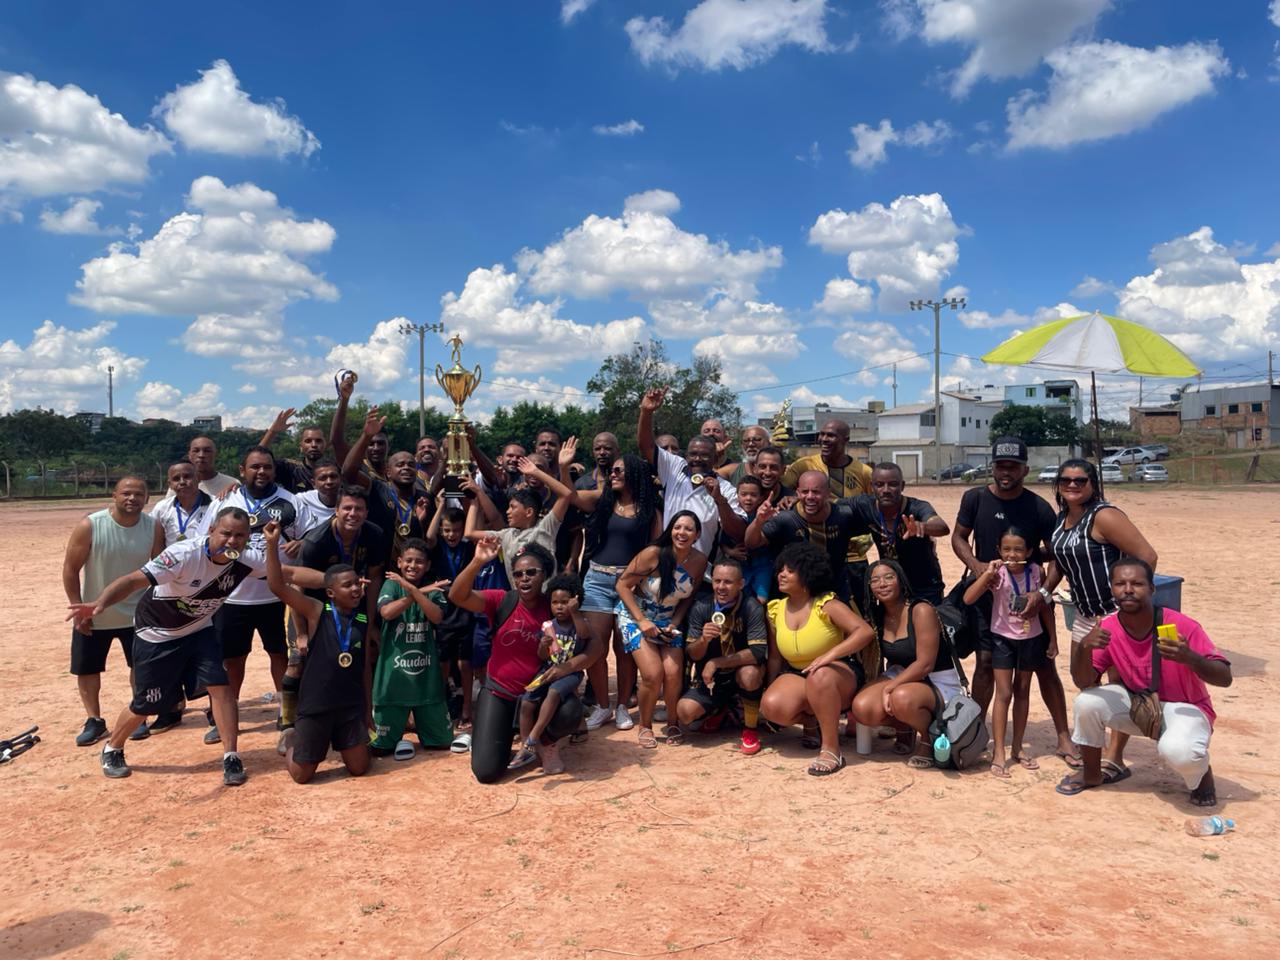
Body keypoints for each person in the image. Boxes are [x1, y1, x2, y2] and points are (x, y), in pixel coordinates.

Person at [67, 507, 287, 785]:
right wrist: (101, 602)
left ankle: (231, 756)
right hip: (157, 634)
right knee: (147, 704)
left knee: (221, 688)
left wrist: (329, 580)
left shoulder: (245, 559)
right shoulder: (183, 554)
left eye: (240, 536)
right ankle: (112, 748)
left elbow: (289, 573)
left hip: (199, 630)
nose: (232, 541)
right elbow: (133, 580)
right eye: (226, 533)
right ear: (211, 531)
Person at [1059, 557, 1231, 806]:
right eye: (1120, 584)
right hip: (1141, 705)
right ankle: (1092, 773)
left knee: (1178, 752)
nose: (1128, 590)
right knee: (1086, 702)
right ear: (1112, 589)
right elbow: (1084, 682)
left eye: (1137, 584)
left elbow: (1225, 678)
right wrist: (1084, 647)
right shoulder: (1108, 627)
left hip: (1186, 708)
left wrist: (1190, 657)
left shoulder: (1180, 625)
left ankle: (1202, 775)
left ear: (1152, 589)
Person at [951, 436, 1079, 767]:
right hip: (989, 596)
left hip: (1031, 599)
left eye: (1012, 466)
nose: (1005, 472)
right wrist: (977, 567)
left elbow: (1058, 555)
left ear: (1025, 469)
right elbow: (959, 537)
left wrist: (1043, 593)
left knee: (1045, 667)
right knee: (985, 664)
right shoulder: (975, 498)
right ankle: (977, 732)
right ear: (992, 467)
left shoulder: (1039, 508)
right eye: (1000, 465)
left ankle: (1063, 737)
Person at [1044, 458, 1158, 778]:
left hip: (1113, 612)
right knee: (1084, 680)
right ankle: (1095, 745)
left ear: (1092, 484)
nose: (1072, 485)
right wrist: (1042, 592)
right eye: (1066, 480)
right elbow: (1060, 560)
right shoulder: (1063, 518)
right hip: (1084, 612)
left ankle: (1115, 756)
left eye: (1080, 480)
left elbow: (1147, 556)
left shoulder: (1104, 516)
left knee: (1118, 684)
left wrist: (1129, 601)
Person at [449, 541, 594, 783]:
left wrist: (567, 667)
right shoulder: (502, 601)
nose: (524, 578)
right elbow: (457, 595)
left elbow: (595, 647)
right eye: (518, 574)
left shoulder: (555, 605)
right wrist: (478, 561)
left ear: (544, 575)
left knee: (571, 710)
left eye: (531, 572)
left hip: (538, 695)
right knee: (486, 772)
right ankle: (505, 733)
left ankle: (544, 742)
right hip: (500, 692)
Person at [262, 521, 372, 784]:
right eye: (347, 585)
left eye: (357, 583)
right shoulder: (317, 611)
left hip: (349, 706)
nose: (355, 589)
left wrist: (367, 710)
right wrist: (271, 545)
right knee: (301, 776)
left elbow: (365, 666)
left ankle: (341, 739)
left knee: (359, 768)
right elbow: (277, 585)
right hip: (317, 706)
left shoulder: (362, 618)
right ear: (331, 593)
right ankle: (293, 739)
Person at [210, 445, 303, 746]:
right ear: (242, 470)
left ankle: (286, 714)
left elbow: (306, 537)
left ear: (274, 470)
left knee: (280, 655)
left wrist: (300, 544)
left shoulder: (290, 501)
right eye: (255, 467)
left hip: (276, 595)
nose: (261, 472)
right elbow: (208, 539)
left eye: (267, 467)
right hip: (233, 596)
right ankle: (229, 717)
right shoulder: (224, 501)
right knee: (233, 660)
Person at [62, 476, 161, 746]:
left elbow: (160, 568)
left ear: (147, 498)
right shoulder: (91, 525)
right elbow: (70, 569)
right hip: (94, 613)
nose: (132, 498)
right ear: (114, 495)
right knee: (87, 668)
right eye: (126, 493)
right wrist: (78, 608)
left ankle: (138, 715)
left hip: (138, 613)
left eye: (138, 494)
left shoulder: (152, 527)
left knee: (139, 666)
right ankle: (94, 720)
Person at [286, 487, 386, 751]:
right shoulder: (316, 540)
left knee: (362, 657)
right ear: (336, 510)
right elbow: (298, 585)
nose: (353, 514)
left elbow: (375, 578)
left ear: (367, 512)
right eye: (347, 508)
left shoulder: (374, 534)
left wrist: (370, 623)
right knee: (298, 661)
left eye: (359, 509)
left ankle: (357, 718)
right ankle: (289, 725)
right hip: (314, 607)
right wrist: (301, 633)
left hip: (351, 604)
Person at [568, 449, 661, 732]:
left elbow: (655, 549)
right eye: (613, 471)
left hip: (629, 585)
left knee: (624, 649)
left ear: (634, 474)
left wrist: (639, 580)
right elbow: (571, 496)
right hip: (597, 579)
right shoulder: (603, 501)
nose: (614, 474)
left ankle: (621, 705)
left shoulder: (650, 510)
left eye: (620, 470)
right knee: (595, 647)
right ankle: (602, 706)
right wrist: (561, 468)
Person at [762, 542, 875, 776]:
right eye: (781, 569)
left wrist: (829, 655)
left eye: (790, 570)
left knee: (820, 675)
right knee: (772, 707)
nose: (782, 574)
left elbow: (864, 632)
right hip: (799, 673)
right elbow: (774, 657)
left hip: (837, 673)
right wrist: (769, 686)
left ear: (808, 574)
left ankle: (831, 749)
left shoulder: (827, 604)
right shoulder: (775, 609)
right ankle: (812, 721)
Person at [963, 530, 1057, 777]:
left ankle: (1017, 747)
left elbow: (1044, 608)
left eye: (1018, 550)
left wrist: (1053, 639)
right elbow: (968, 598)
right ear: (999, 551)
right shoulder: (998, 575)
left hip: (1031, 638)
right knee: (1003, 693)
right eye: (1006, 550)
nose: (1012, 555)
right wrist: (987, 574)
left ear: (1028, 552)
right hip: (1002, 639)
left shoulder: (1036, 572)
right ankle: (999, 752)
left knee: (1022, 691)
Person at [852, 559, 962, 769]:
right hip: (901, 674)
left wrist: (890, 687)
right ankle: (905, 727)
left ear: (901, 581)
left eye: (889, 577)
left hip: (936, 680)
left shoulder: (921, 610)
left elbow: (925, 664)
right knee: (862, 708)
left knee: (900, 698)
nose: (882, 584)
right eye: (875, 580)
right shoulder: (877, 615)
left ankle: (928, 739)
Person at [615, 511, 709, 748]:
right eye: (678, 527)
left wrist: (675, 622)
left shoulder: (699, 561)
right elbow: (622, 585)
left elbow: (689, 597)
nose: (682, 533)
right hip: (636, 616)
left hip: (668, 621)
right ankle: (645, 725)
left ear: (697, 535)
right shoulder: (653, 554)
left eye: (688, 529)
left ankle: (672, 722)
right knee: (652, 674)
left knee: (673, 672)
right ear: (670, 529)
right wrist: (642, 621)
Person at [637, 387, 745, 557]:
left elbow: (738, 532)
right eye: (693, 454)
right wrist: (646, 412)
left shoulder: (725, 489)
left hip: (700, 568)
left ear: (715, 459)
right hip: (666, 561)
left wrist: (720, 501)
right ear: (686, 456)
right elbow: (646, 446)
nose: (698, 459)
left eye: (705, 455)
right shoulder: (674, 469)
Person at [370, 538, 452, 756]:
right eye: (408, 560)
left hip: (426, 681)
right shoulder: (390, 585)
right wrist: (418, 592)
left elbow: (436, 617)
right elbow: (387, 613)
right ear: (399, 562)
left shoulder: (434, 588)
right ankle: (403, 726)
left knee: (441, 742)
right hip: (392, 681)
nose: (412, 565)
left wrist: (415, 591)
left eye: (419, 561)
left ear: (427, 565)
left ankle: (416, 724)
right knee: (381, 748)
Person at [677, 559, 768, 755]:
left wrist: (716, 662)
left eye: (728, 582)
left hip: (740, 672)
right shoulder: (701, 607)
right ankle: (722, 709)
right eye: (717, 581)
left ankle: (750, 729)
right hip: (713, 679)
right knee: (685, 712)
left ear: (741, 584)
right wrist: (703, 640)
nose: (721, 587)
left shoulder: (752, 607)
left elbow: (758, 652)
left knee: (749, 674)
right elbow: (692, 654)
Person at [781, 419, 874, 604]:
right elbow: (780, 490)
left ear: (846, 440)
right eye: (822, 434)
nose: (823, 439)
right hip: (814, 555)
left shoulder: (864, 472)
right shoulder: (803, 466)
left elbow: (875, 507)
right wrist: (791, 497)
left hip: (853, 557)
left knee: (859, 609)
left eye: (830, 435)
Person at [510, 573, 591, 772]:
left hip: (571, 674)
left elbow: (584, 634)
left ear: (575, 601)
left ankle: (533, 738)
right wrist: (542, 645)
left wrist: (575, 612)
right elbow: (542, 656)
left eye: (565, 602)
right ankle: (525, 747)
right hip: (547, 670)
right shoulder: (548, 626)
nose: (559, 607)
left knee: (554, 693)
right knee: (527, 701)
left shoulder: (579, 624)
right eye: (555, 602)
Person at [744, 470, 863, 603]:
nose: (810, 497)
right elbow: (751, 543)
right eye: (805, 492)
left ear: (828, 493)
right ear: (798, 493)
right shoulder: (786, 519)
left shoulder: (843, 515)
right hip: (795, 597)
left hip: (835, 593)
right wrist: (758, 521)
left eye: (816, 492)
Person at [847, 462, 948, 603]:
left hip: (925, 585)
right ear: (872, 486)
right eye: (879, 485)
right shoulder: (865, 505)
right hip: (891, 585)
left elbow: (942, 527)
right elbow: (833, 507)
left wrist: (922, 526)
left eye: (893, 484)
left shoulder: (916, 508)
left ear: (902, 486)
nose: (886, 490)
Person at [466, 455, 574, 584]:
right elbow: (470, 533)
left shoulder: (545, 528)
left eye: (512, 507)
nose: (508, 512)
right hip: (518, 596)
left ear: (529, 512)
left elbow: (566, 494)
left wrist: (536, 472)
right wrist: (475, 497)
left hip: (545, 596)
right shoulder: (506, 535)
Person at [342, 409, 431, 561]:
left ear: (417, 470)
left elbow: (431, 540)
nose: (406, 468)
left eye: (411, 465)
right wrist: (366, 437)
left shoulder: (425, 498)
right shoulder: (377, 489)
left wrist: (421, 522)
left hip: (413, 568)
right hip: (378, 567)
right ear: (388, 472)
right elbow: (348, 472)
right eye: (400, 465)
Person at [425, 500, 478, 729]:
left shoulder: (469, 548)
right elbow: (429, 536)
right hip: (443, 609)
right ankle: (440, 704)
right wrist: (440, 506)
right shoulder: (437, 547)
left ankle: (467, 707)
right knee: (443, 660)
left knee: (465, 662)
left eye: (456, 530)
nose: (451, 535)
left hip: (465, 607)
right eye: (446, 530)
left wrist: (473, 503)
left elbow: (473, 531)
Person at [260, 408, 329, 495]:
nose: (314, 445)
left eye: (318, 441)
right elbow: (258, 459)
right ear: (301, 446)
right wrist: (272, 431)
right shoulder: (290, 468)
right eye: (308, 441)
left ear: (325, 445)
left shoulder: (335, 469)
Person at [151, 461, 214, 547]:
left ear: (198, 478)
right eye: (176, 479)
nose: (182, 482)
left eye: (187, 476)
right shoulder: (161, 508)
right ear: (170, 484)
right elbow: (156, 542)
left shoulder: (215, 505)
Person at [162, 435, 238, 500]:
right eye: (196, 451)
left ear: (216, 454)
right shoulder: (181, 485)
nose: (201, 455)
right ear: (189, 455)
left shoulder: (231, 484)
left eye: (207, 451)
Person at [295, 460, 342, 533]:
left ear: (341, 479)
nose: (329, 482)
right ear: (313, 483)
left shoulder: (351, 501)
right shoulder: (301, 501)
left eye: (333, 477)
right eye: (323, 478)